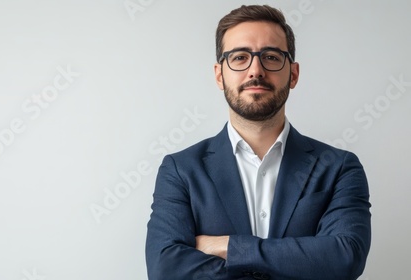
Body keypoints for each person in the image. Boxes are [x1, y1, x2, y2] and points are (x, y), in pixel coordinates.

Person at [145, 4, 371, 280]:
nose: (256, 70)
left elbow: (344, 259)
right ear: (220, 74)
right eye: (240, 57)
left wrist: (228, 246)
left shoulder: (339, 167)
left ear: (294, 74)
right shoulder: (180, 169)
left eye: (271, 57)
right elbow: (165, 269)